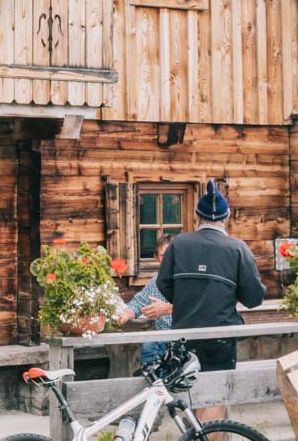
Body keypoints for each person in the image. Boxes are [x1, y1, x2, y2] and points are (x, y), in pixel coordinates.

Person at [155, 180, 266, 423]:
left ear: (197, 216)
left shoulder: (179, 244)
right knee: (216, 396)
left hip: (184, 333)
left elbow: (163, 284)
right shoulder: (238, 248)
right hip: (221, 334)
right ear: (227, 218)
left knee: (190, 395)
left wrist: (185, 300)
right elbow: (254, 298)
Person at [114, 234, 175, 369]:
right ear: (156, 258)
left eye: (172, 254)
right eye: (164, 255)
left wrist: (168, 308)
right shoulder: (155, 283)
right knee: (149, 346)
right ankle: (152, 383)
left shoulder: (188, 280)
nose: (169, 259)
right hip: (163, 342)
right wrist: (126, 314)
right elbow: (136, 305)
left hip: (187, 339)